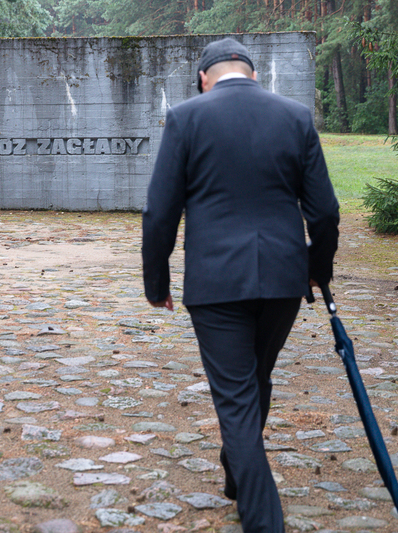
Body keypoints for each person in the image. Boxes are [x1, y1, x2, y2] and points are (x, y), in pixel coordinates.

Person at [142, 37, 339, 533]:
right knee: (255, 378)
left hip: (216, 280)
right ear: (252, 73)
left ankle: (262, 519)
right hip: (282, 278)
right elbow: (325, 211)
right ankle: (236, 474)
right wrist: (319, 269)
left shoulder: (186, 117)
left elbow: (159, 212)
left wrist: (156, 281)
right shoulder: (295, 117)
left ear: (205, 78)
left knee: (235, 394)